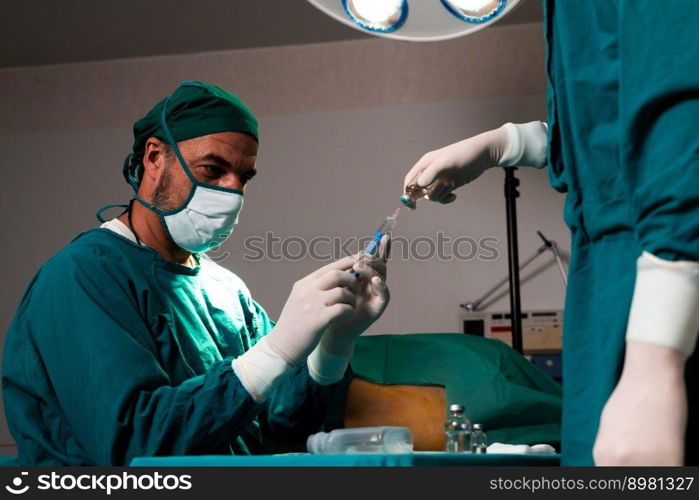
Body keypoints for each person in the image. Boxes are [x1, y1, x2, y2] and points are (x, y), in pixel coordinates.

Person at [2, 81, 390, 466]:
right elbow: (134, 448)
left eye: (244, 177)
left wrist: (332, 348)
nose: (232, 191)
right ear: (154, 158)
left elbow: (280, 434)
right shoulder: (82, 276)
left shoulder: (225, 290)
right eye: (213, 169)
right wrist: (275, 352)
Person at [402, 1, 698, 466]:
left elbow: (682, 125)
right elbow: (607, 124)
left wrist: (657, 361)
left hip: (665, 267)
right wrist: (506, 144)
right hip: (609, 278)